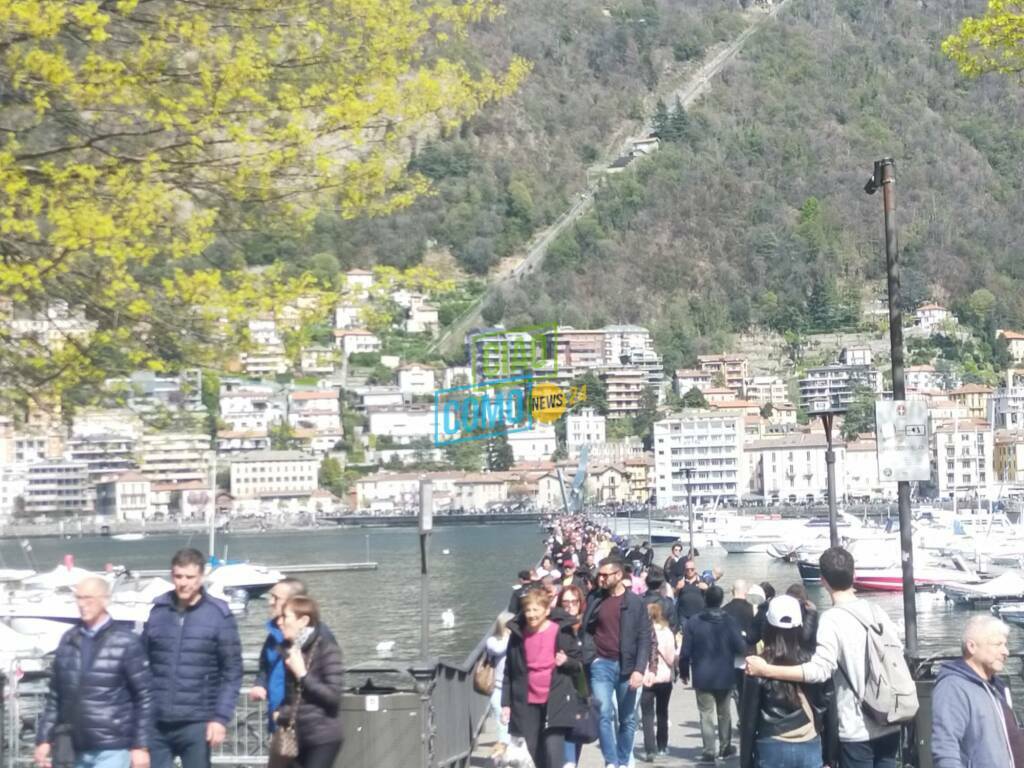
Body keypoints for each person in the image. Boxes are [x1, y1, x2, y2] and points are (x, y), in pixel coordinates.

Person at [746, 546, 901, 768]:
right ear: (854, 575)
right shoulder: (878, 612)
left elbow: (819, 671)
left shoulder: (831, 620)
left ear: (823, 581)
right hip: (889, 721)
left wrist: (766, 670)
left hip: (856, 726)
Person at [35, 576, 152, 768]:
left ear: (105, 599)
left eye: (88, 598)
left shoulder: (126, 642)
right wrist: (44, 739)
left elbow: (145, 696)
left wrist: (141, 745)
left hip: (112, 745)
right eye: (78, 598)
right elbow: (55, 695)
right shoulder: (68, 640)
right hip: (73, 744)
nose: (82, 604)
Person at [143, 548, 243, 768]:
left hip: (197, 721)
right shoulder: (158, 612)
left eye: (190, 577)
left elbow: (232, 670)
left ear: (201, 577)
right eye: (178, 576)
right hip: (157, 720)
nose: (184, 583)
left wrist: (220, 717)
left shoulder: (218, 615)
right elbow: (142, 666)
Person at [501, 586, 584, 768]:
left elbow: (578, 663)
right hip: (527, 703)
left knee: (553, 752)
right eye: (528, 610)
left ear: (547, 611)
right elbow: (509, 671)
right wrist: (506, 704)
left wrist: (566, 661)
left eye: (536, 610)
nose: (531, 615)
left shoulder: (560, 631)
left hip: (556, 700)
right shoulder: (518, 635)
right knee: (535, 754)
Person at [739, 595, 826, 768]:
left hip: (771, 743)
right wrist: (831, 756)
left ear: (768, 626)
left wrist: (746, 762)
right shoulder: (813, 663)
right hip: (809, 741)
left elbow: (748, 720)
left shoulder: (758, 665)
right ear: (800, 625)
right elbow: (827, 707)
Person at [581, 556, 652, 768]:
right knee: (603, 713)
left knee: (628, 719)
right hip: (601, 663)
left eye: (605, 575)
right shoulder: (595, 598)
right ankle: (611, 761)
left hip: (627, 667)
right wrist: (591, 657)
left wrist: (640, 669)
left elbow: (644, 637)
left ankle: (622, 760)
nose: (600, 579)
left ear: (619, 575)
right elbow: (587, 629)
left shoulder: (636, 603)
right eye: (599, 575)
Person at [931, 614, 1024, 768]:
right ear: (972, 646)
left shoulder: (995, 686)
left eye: (1005, 644)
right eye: (998, 644)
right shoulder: (953, 687)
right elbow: (945, 748)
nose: (1006, 651)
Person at [679, 585, 747, 763]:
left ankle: (709, 750)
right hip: (725, 673)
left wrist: (684, 671)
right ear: (721, 600)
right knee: (724, 713)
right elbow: (741, 647)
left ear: (705, 599)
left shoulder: (693, 622)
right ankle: (725, 747)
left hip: (702, 673)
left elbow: (685, 651)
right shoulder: (730, 621)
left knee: (705, 713)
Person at [275, 595, 345, 768]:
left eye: (285, 617)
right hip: (297, 737)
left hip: (322, 737)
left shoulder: (326, 648)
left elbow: (333, 697)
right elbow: (294, 697)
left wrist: (302, 674)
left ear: (303, 620)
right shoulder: (289, 650)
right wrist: (281, 714)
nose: (279, 622)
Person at [251, 579, 308, 730]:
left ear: (293, 603)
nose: (270, 602)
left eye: (276, 598)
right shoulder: (273, 635)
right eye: (271, 596)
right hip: (277, 719)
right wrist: (260, 684)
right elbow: (265, 666)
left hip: (301, 724)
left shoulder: (309, 636)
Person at [639, 602, 677, 762]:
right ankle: (662, 745)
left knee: (647, 714)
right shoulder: (667, 632)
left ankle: (649, 749)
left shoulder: (642, 632)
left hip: (646, 676)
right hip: (663, 677)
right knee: (662, 711)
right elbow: (670, 657)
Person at [557, 586, 588, 768]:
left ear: (580, 603)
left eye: (574, 602)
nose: (569, 606)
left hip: (584, 689)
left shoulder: (587, 627)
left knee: (578, 737)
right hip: (564, 690)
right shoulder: (557, 628)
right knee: (567, 737)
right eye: (565, 602)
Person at [723, 579, 756, 717]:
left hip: (729, 656)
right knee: (747, 692)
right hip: (747, 654)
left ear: (732, 591)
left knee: (734, 692)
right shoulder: (752, 609)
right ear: (746, 592)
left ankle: (739, 716)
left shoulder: (724, 610)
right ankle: (747, 718)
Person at [486, 611, 515, 762]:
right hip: (498, 688)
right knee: (501, 719)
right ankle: (504, 752)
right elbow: (498, 650)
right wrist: (510, 636)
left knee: (513, 722)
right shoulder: (493, 641)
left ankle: (510, 752)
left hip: (513, 688)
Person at [785, 583, 819, 653]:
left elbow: (804, 637)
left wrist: (812, 614)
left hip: (804, 653)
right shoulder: (810, 612)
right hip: (801, 653)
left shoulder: (808, 612)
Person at [674, 559, 706, 628]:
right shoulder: (680, 579)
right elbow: (674, 596)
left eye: (692, 569)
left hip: (699, 614)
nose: (689, 571)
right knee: (686, 635)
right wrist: (678, 588)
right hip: (684, 614)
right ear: (684, 570)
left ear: (695, 569)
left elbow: (711, 597)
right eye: (687, 569)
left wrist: (707, 589)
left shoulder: (702, 579)